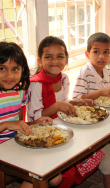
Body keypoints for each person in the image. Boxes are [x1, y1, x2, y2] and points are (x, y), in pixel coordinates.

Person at [0, 42, 58, 188]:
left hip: (13, 145)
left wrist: (36, 123)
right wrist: (5, 125)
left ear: (22, 71)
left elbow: (18, 125)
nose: (9, 75)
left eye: (15, 69)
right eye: (2, 68)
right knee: (39, 180)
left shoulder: (19, 91)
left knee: (56, 177)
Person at [27, 36, 99, 188]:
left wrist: (76, 102)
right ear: (40, 60)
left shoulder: (64, 79)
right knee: (66, 171)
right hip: (41, 132)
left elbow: (63, 101)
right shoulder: (36, 84)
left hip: (60, 126)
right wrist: (57, 106)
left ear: (66, 60)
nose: (55, 61)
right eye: (48, 57)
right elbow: (34, 117)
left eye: (60, 56)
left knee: (89, 148)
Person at [72, 32, 110, 188]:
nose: (101, 56)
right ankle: (107, 176)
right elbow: (77, 100)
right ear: (87, 54)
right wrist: (100, 93)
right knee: (108, 155)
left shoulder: (107, 70)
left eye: (106, 52)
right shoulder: (84, 73)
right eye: (96, 51)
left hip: (105, 120)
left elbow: (105, 90)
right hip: (89, 124)